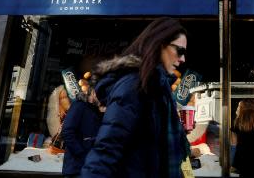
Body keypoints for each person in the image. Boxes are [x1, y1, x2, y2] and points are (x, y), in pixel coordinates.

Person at [81, 17, 190, 178]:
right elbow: (107, 149)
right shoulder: (133, 86)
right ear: (159, 45)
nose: (183, 59)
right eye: (179, 51)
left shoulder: (159, 89)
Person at [61, 86, 103, 178]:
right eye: (99, 94)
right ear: (92, 92)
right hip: (76, 168)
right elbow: (67, 132)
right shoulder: (79, 105)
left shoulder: (95, 110)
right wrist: (82, 154)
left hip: (89, 167)